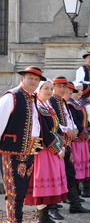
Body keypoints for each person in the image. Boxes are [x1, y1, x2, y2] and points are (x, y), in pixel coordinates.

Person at [0, 66, 46, 223]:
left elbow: (34, 124)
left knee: (21, 193)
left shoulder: (32, 98)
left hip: (28, 153)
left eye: (36, 79)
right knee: (13, 193)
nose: (33, 81)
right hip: (11, 153)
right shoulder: (11, 97)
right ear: (22, 79)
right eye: (30, 78)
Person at [25, 79, 68, 223]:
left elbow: (56, 128)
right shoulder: (37, 107)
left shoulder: (48, 106)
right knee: (43, 187)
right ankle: (43, 218)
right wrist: (57, 149)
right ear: (39, 90)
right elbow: (44, 132)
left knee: (49, 186)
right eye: (46, 88)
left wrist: (62, 145)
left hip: (53, 150)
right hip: (44, 152)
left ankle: (46, 216)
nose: (49, 91)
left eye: (51, 89)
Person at [50, 76, 90, 214]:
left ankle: (74, 204)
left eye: (65, 87)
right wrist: (67, 130)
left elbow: (69, 119)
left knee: (69, 174)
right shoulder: (50, 101)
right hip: (55, 144)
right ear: (54, 87)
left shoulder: (62, 102)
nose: (63, 90)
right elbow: (52, 123)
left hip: (66, 143)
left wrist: (73, 129)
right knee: (55, 175)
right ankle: (52, 207)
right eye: (60, 87)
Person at [65, 82, 90, 198]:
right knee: (76, 165)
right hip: (76, 139)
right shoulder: (70, 104)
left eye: (81, 90)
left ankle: (79, 192)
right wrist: (83, 133)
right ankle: (75, 193)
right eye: (76, 90)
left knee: (82, 164)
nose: (79, 92)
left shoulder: (79, 104)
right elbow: (75, 121)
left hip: (82, 138)